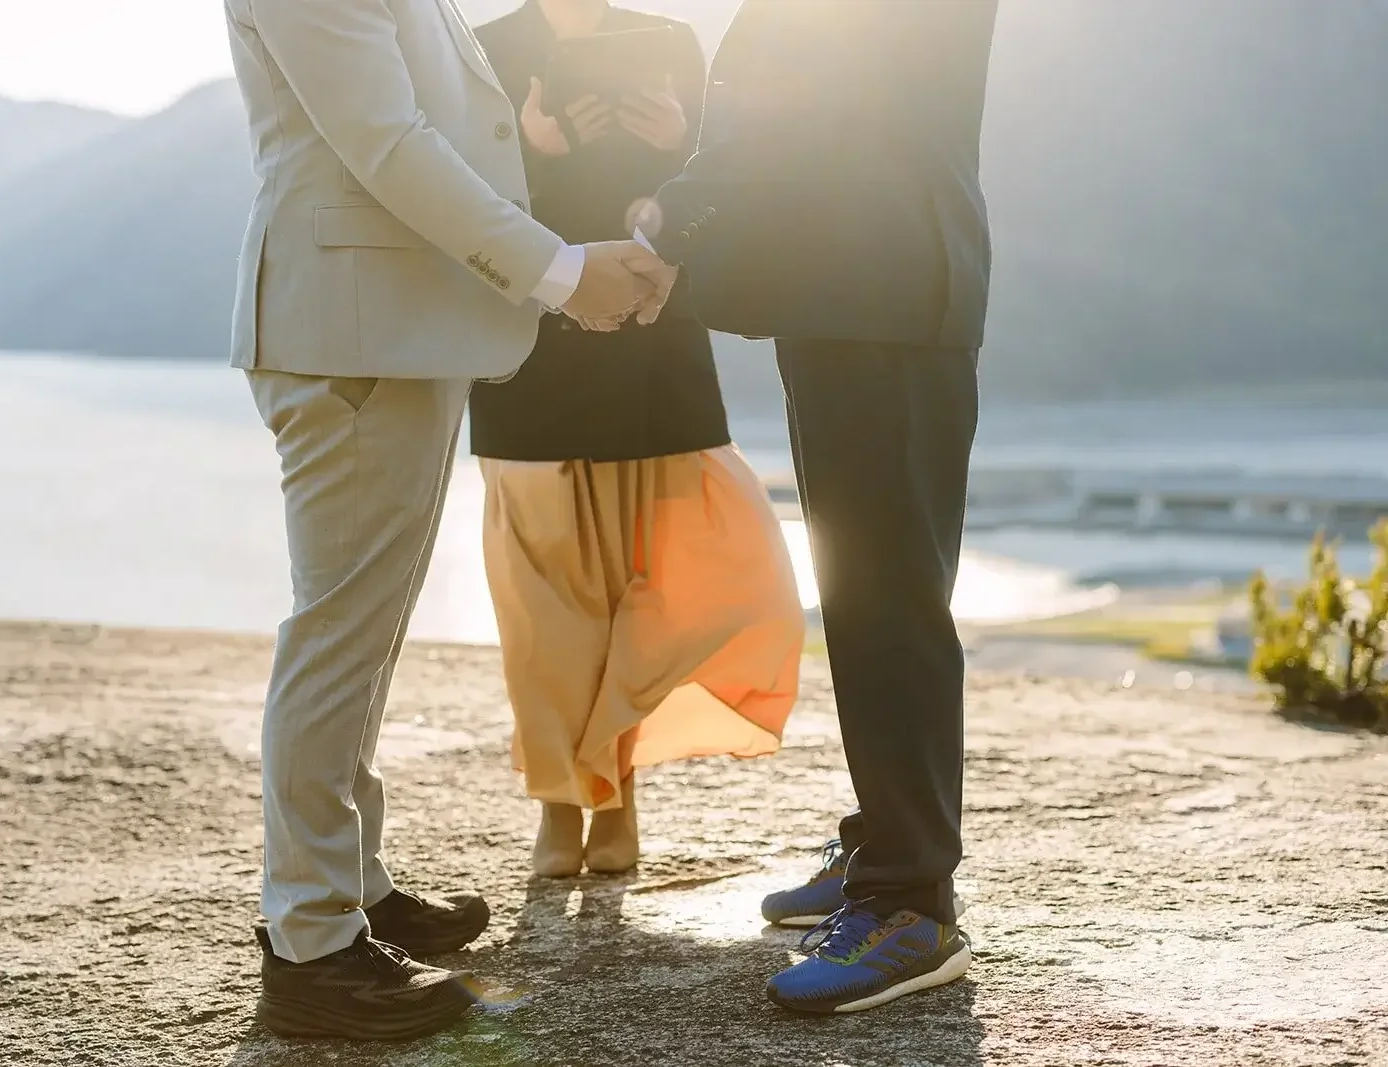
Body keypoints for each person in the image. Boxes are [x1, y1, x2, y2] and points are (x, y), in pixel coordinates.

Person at [222, 0, 671, 1042]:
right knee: (337, 633)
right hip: (350, 336)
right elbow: (387, 142)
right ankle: (311, 943)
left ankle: (355, 885)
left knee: (363, 634)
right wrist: (559, 271)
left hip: (389, 329)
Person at [631, 0, 1000, 1014]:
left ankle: (910, 903)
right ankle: (886, 844)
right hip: (855, 297)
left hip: (885, 293)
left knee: (888, 597)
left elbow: (813, 102)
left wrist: (676, 205)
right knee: (865, 588)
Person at [469, 0, 804, 880]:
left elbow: (719, 191)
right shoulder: (485, 52)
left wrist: (674, 145)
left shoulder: (670, 43)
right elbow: (459, 202)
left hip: (654, 351)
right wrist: (530, 153)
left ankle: (614, 789)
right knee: (543, 610)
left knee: (666, 587)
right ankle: (559, 802)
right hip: (530, 356)